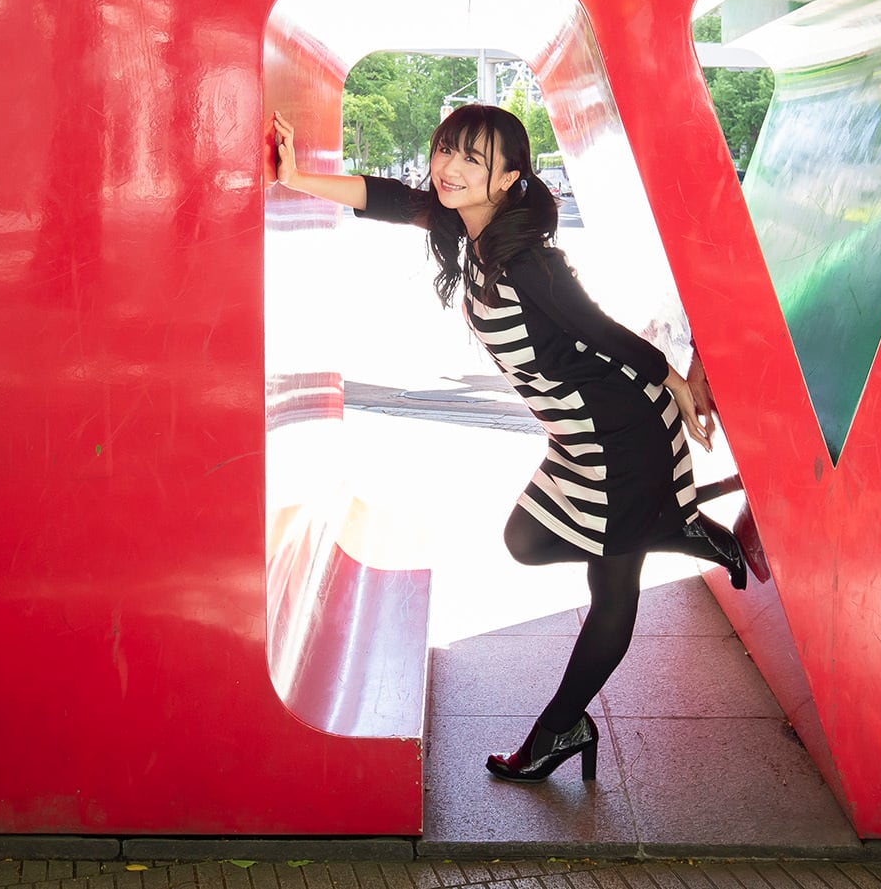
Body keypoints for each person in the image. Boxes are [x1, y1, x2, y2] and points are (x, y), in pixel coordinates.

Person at [270, 103, 749, 785]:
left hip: (621, 433)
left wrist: (674, 381)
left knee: (612, 585)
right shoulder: (466, 229)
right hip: (575, 431)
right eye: (446, 149)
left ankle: (559, 729)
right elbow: (389, 198)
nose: (449, 167)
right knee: (526, 539)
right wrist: (295, 177)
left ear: (507, 178)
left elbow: (600, 329)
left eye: (473, 158)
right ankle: (675, 527)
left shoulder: (527, 260)